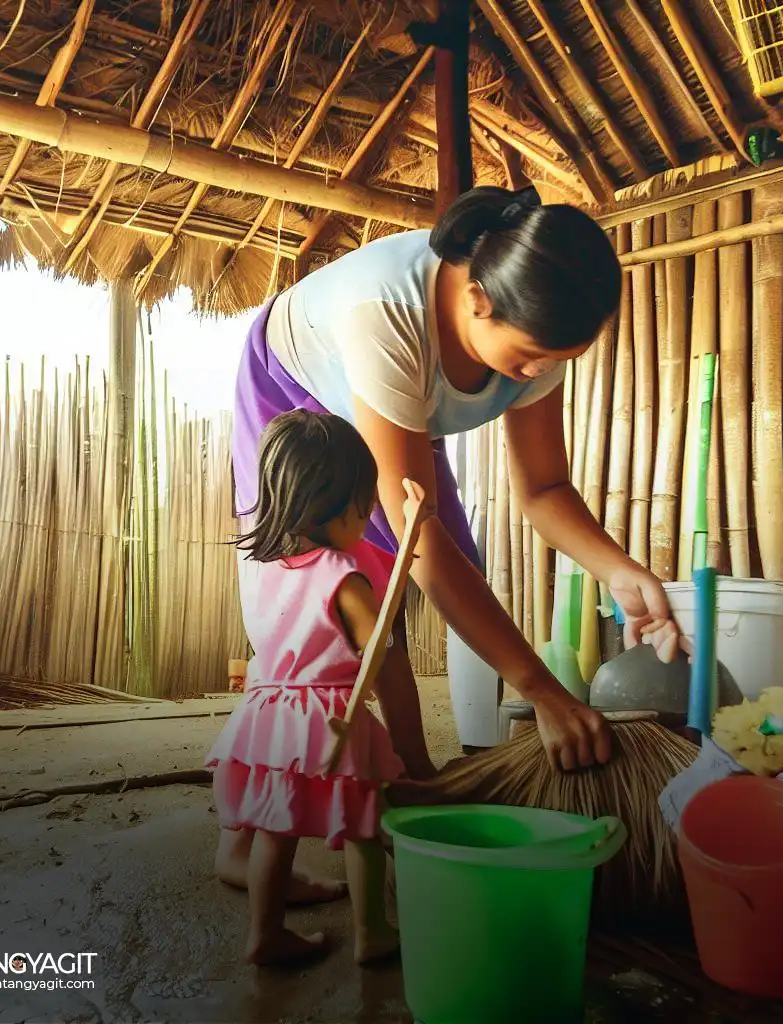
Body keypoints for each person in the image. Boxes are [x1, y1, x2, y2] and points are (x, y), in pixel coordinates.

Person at [233, 184, 682, 784]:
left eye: (556, 361)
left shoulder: (536, 329)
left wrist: (621, 572)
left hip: (390, 402)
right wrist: (544, 692)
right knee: (313, 603)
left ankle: (416, 773)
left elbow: (545, 488)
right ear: (477, 299)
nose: (539, 374)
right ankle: (258, 814)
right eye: (530, 358)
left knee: (457, 571)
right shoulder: (386, 315)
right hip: (294, 397)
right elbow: (418, 540)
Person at [209, 411, 429, 966]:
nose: (369, 515)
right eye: (364, 503)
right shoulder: (342, 576)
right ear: (334, 506)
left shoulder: (263, 569)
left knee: (273, 830)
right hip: (330, 716)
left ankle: (265, 933)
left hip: (269, 713)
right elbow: (378, 654)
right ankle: (371, 929)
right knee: (365, 823)